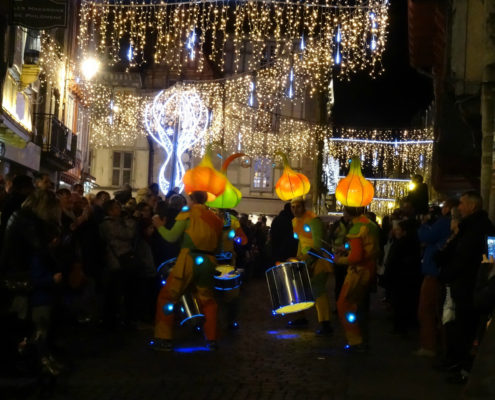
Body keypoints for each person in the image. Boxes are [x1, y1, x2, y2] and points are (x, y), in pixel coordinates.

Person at [150, 191, 223, 351]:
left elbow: (171, 237)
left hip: (188, 260)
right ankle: (211, 339)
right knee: (207, 300)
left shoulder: (187, 213)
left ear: (191, 199)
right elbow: (220, 246)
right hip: (208, 262)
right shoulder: (216, 219)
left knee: (168, 296)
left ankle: (164, 338)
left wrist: (159, 226)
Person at [439, 191, 495, 383]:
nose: (459, 207)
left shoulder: (484, 229)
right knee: (457, 326)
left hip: (470, 286)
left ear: (472, 206)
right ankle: (457, 362)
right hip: (461, 284)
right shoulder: (467, 228)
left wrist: (483, 278)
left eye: (462, 204)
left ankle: (465, 369)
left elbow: (491, 255)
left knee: (467, 329)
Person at [415, 198, 458, 357]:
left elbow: (426, 236)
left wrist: (425, 223)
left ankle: (430, 346)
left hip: (435, 273)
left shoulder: (443, 224)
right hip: (442, 273)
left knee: (428, 309)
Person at [334, 206, 380, 351]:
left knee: (344, 304)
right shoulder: (370, 224)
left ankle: (355, 339)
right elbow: (368, 248)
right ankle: (363, 338)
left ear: (348, 212)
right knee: (359, 306)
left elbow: (356, 257)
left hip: (358, 272)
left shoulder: (356, 229)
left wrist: (339, 260)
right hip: (369, 269)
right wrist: (347, 249)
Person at [289, 197, 333, 335]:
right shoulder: (294, 222)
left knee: (318, 291)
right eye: (293, 207)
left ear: (304, 207)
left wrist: (307, 261)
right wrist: (297, 258)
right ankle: (300, 317)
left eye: (298, 206)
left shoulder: (314, 220)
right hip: (304, 260)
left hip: (318, 261)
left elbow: (318, 245)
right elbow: (301, 243)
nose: (295, 209)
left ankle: (325, 323)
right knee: (299, 288)